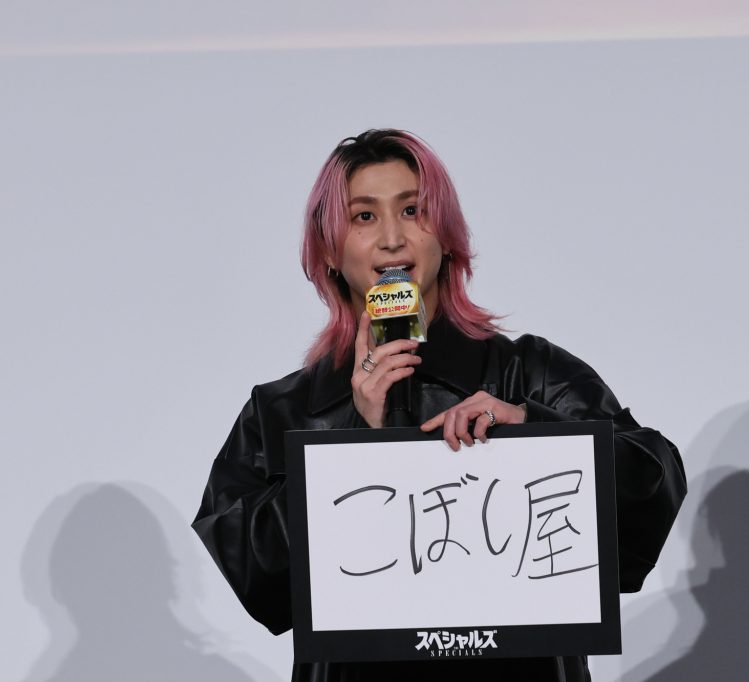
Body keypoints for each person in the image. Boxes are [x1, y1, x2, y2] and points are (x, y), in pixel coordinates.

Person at [192, 129, 686, 682]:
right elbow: (256, 578)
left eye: (413, 211)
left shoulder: (530, 372)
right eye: (363, 217)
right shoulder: (281, 409)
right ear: (329, 249)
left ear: (447, 235)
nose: (392, 239)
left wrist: (531, 426)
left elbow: (655, 483)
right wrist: (359, 435)